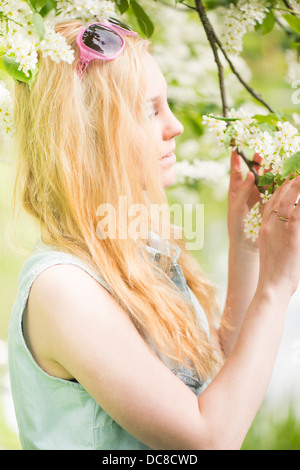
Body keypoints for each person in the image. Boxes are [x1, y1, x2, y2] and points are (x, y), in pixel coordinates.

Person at [8, 17, 300, 451]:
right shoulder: (63, 288)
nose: (175, 126)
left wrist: (245, 248)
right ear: (92, 135)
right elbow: (209, 438)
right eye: (152, 109)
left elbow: (216, 390)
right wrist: (276, 289)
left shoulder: (139, 248)